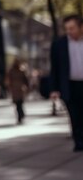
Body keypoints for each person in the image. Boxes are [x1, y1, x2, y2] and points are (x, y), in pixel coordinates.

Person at [50, 14, 83, 152]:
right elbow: (55, 68)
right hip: (70, 86)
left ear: (81, 27)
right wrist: (54, 89)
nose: (69, 31)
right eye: (67, 29)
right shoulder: (59, 44)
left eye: (72, 28)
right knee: (74, 115)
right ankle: (79, 142)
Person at [6, 58, 29, 124]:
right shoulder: (16, 71)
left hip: (17, 89)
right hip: (18, 89)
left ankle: (20, 115)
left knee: (19, 103)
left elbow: (25, 80)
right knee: (19, 103)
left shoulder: (18, 71)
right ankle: (20, 115)